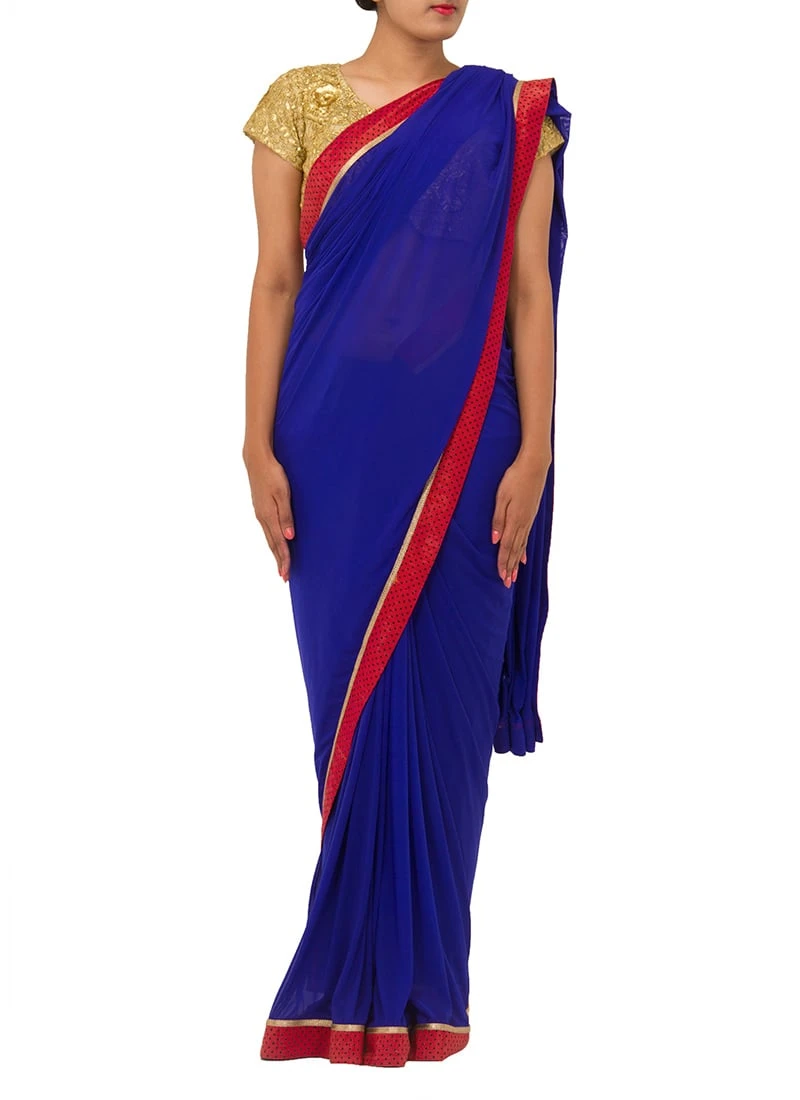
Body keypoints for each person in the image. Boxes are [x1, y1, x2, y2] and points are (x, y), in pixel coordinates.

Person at [241, 0, 570, 1068]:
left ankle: (426, 995)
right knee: (350, 704)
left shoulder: (510, 116)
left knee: (446, 723)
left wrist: (535, 453)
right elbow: (277, 280)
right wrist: (254, 443)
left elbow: (528, 292)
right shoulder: (298, 102)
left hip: (473, 446)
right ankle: (349, 993)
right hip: (330, 449)